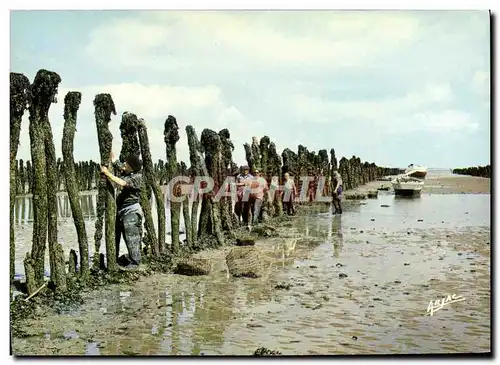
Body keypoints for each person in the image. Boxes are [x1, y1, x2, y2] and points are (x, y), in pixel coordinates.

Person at [100, 151, 144, 269]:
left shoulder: (136, 177)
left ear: (131, 166)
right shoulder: (127, 171)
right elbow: (116, 162)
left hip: (131, 211)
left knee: (131, 238)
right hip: (122, 211)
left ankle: (135, 263)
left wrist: (107, 173)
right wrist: (109, 148)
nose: (124, 164)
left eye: (127, 163)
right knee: (120, 236)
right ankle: (118, 259)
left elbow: (122, 182)